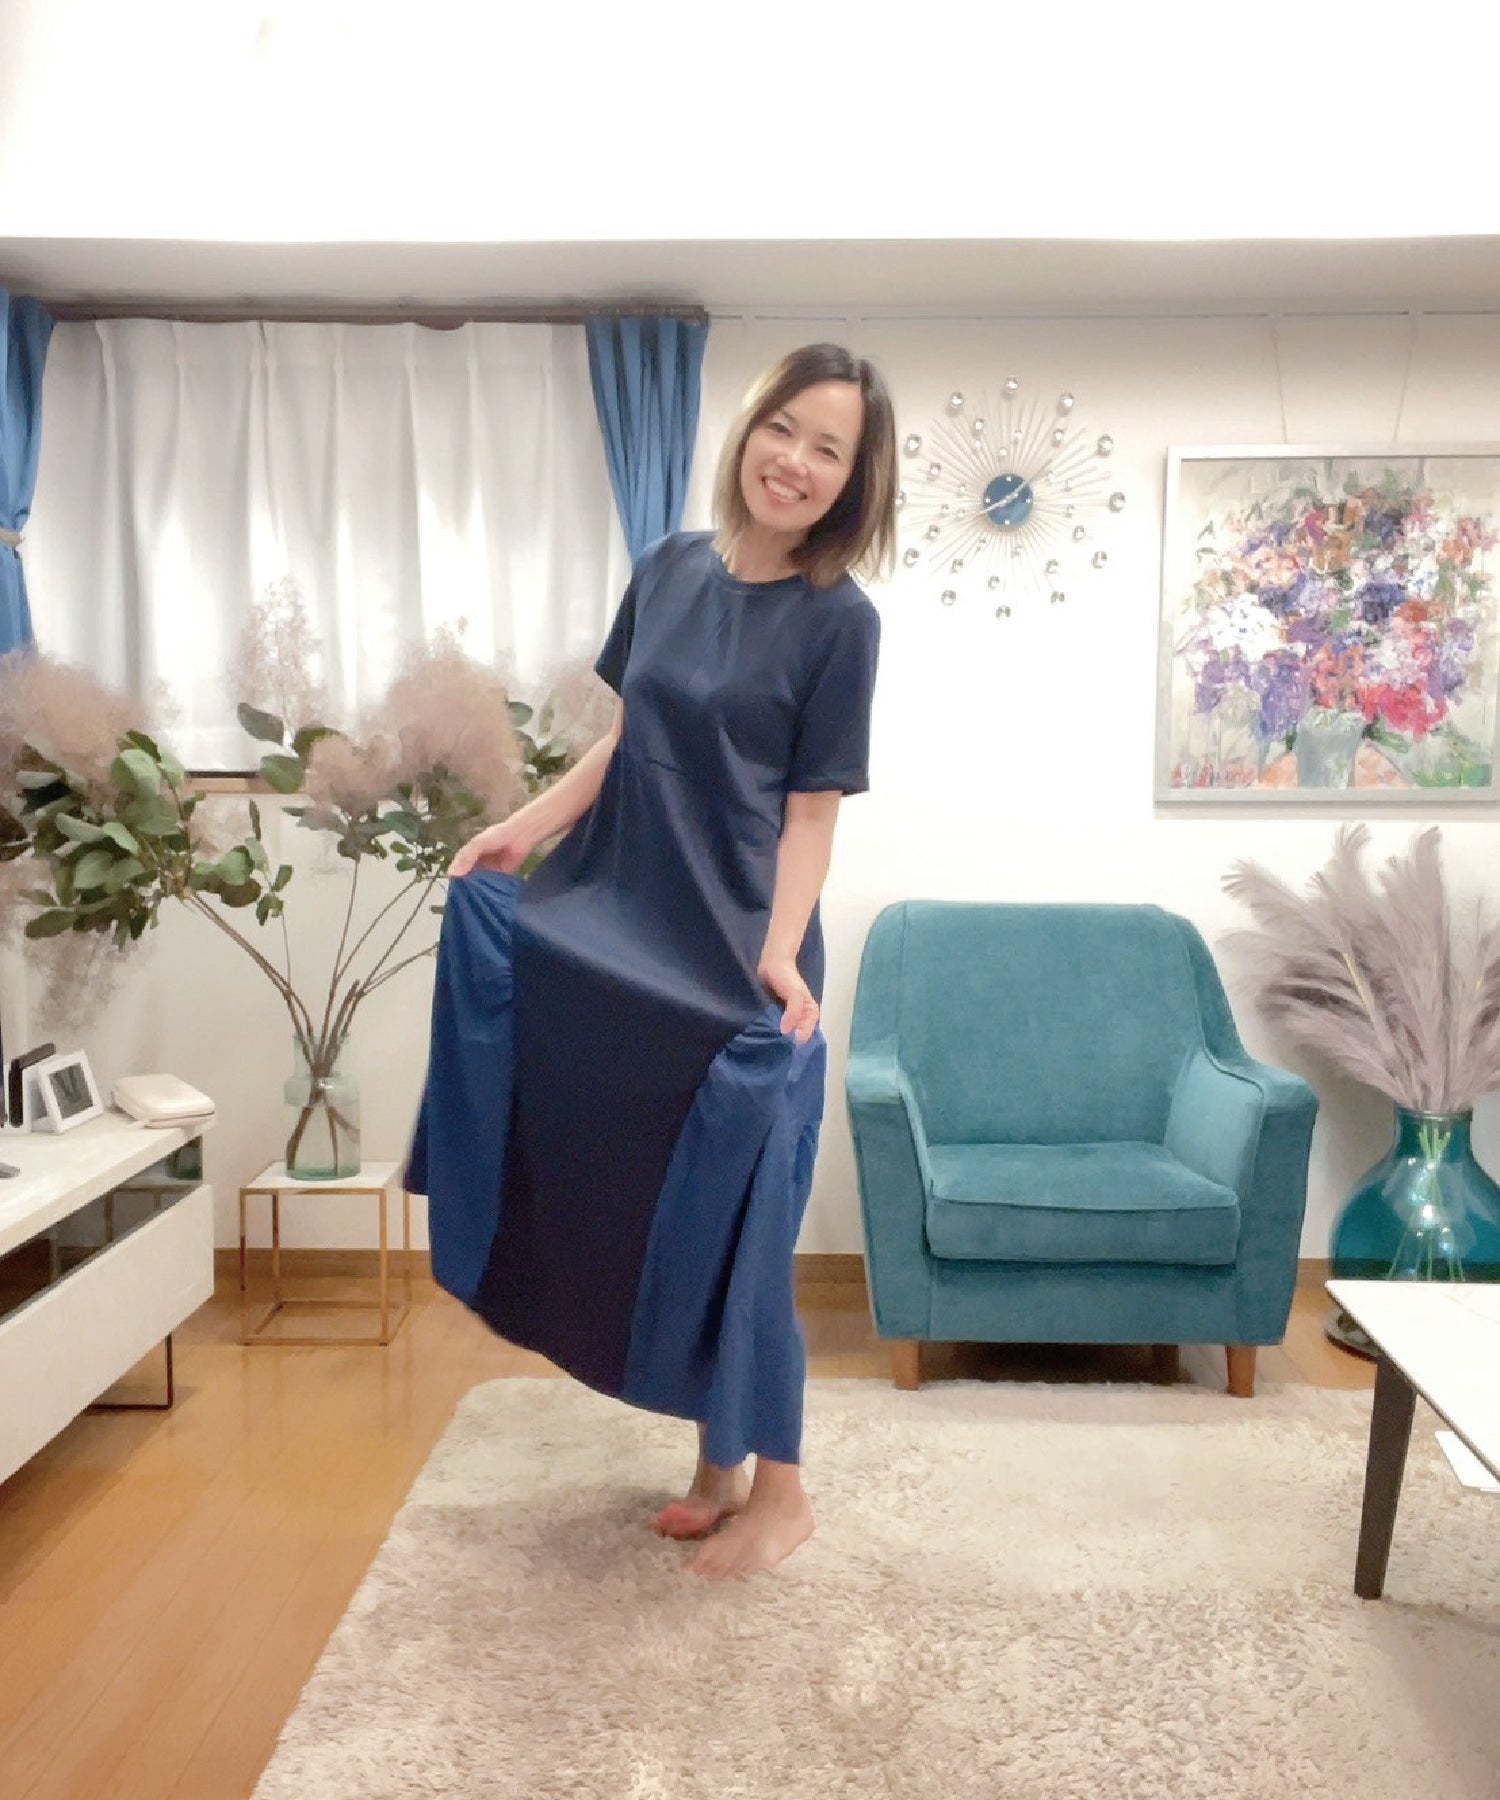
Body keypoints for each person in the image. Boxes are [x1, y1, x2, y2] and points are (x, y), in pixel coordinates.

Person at [407, 342, 896, 1578]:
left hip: (744, 954)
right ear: (750, 429)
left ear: (854, 481)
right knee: (646, 1201)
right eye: (784, 428)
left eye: (829, 449)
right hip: (627, 921)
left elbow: (813, 814)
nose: (795, 460)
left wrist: (778, 956)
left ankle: (783, 1493)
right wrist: (524, 829)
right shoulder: (670, 567)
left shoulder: (842, 623)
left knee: (742, 1219)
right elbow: (627, 742)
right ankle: (716, 1466)